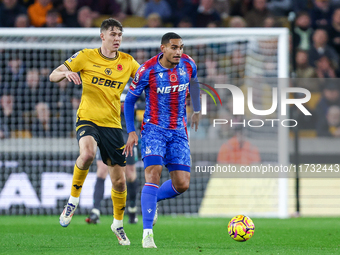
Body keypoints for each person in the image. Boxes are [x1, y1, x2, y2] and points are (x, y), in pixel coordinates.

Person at [49, 18, 139, 246]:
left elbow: (146, 80)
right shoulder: (85, 56)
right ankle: (72, 201)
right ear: (102, 36)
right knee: (87, 154)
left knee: (119, 183)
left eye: (119, 35)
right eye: (113, 34)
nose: (117, 38)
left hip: (112, 125)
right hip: (87, 119)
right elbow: (53, 75)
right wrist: (65, 74)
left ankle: (117, 225)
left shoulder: (128, 62)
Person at [123, 32, 201, 248]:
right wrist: (131, 131)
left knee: (182, 184)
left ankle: (152, 199)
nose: (179, 52)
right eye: (174, 47)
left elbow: (194, 84)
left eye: (181, 47)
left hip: (178, 130)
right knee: (153, 174)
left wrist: (197, 109)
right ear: (163, 48)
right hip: (154, 129)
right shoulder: (147, 70)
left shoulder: (188, 64)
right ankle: (147, 233)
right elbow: (129, 101)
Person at [86, 100, 139, 225]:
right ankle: (95, 211)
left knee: (130, 174)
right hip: (107, 132)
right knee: (102, 170)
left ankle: (132, 209)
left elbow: (147, 100)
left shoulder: (134, 83)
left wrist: (131, 104)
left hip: (127, 134)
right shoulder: (107, 81)